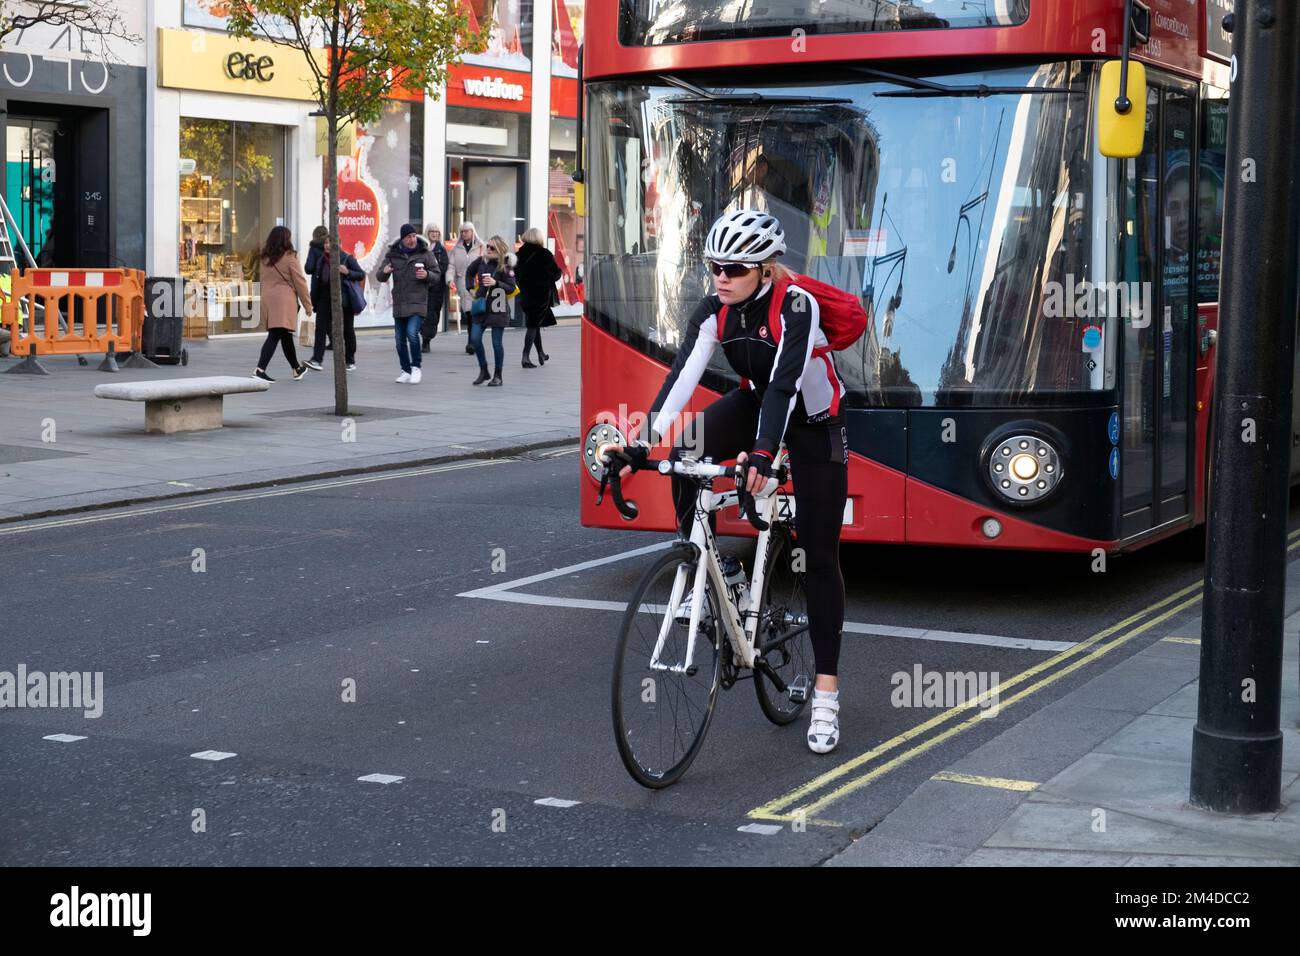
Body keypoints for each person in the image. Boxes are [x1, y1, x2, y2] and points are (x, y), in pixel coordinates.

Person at [614, 210, 848, 754]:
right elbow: (682, 377)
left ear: (765, 270)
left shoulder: (795, 305)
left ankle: (827, 695)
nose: (721, 276)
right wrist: (640, 444)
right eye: (715, 265)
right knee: (686, 451)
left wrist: (764, 456)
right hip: (756, 400)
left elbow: (786, 388)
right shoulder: (714, 309)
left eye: (735, 268)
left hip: (815, 420)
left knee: (819, 553)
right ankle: (709, 567)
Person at [376, 223, 439, 384]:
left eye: (413, 236)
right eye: (408, 237)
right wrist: (384, 272)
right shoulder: (393, 255)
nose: (412, 240)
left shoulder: (425, 253)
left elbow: (437, 275)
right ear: (403, 239)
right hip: (400, 302)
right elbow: (379, 276)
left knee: (412, 333)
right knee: (399, 340)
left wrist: (427, 274)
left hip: (418, 302)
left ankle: (416, 367)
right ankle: (405, 370)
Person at [254, 225, 312, 382]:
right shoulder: (290, 257)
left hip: (268, 297)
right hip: (283, 301)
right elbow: (300, 282)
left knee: (285, 335)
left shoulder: (265, 257)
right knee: (275, 334)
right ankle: (260, 369)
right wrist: (308, 305)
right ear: (286, 239)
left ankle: (296, 368)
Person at [303, 236, 365, 372]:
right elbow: (316, 278)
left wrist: (347, 272)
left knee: (347, 329)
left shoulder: (347, 258)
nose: (327, 245)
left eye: (330, 243)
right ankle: (317, 359)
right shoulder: (322, 259)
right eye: (325, 242)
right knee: (320, 328)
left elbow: (361, 274)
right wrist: (315, 299)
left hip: (343, 299)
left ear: (339, 245)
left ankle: (350, 360)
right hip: (324, 298)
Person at [466, 235, 516, 387]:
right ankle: (484, 370)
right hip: (481, 306)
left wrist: (496, 283)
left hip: (497, 307)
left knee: (496, 343)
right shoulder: (481, 261)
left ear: (500, 250)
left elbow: (511, 287)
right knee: (474, 339)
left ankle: (498, 375)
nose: (488, 249)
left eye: (492, 247)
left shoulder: (506, 265)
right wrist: (470, 289)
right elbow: (469, 272)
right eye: (487, 246)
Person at [514, 227, 561, 368]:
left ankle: (541, 353)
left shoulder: (519, 254)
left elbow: (516, 274)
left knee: (534, 323)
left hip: (524, 295)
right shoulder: (545, 254)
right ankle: (525, 356)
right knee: (533, 325)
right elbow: (556, 274)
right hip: (540, 295)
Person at [450, 221, 485, 354]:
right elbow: (451, 266)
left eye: (466, 231)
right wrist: (450, 279)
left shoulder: (482, 247)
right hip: (463, 284)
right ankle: (472, 341)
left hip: (478, 285)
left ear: (472, 232)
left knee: (476, 313)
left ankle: (473, 341)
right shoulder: (456, 248)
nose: (464, 234)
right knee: (469, 313)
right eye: (462, 231)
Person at [421, 224, 451, 353]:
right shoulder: (421, 248)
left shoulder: (441, 250)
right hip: (422, 286)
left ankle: (427, 339)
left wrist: (432, 274)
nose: (434, 234)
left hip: (437, 287)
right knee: (422, 312)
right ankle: (422, 337)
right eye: (432, 231)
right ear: (427, 233)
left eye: (437, 232)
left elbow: (443, 267)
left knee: (433, 313)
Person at [303, 226, 331, 351]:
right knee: (329, 315)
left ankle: (318, 354)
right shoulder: (332, 247)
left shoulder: (314, 249)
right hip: (332, 286)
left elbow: (308, 268)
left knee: (322, 317)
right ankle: (334, 340)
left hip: (319, 287)